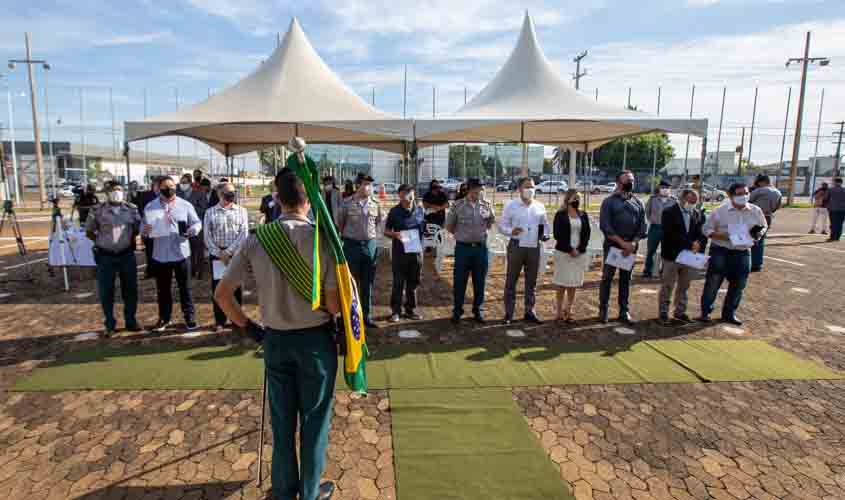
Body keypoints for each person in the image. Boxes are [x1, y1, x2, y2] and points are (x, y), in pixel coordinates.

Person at [214, 171, 339, 500]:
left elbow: (222, 295)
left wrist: (250, 328)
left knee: (282, 423)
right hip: (315, 342)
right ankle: (309, 493)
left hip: (275, 341)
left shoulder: (257, 239)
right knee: (314, 422)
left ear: (277, 199)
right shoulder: (322, 239)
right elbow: (334, 306)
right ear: (309, 201)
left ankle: (283, 491)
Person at [698, 183, 767, 325]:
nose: (744, 196)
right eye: (739, 194)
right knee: (713, 283)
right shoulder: (720, 211)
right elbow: (706, 229)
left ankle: (729, 314)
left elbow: (763, 226)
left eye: (746, 193)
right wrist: (722, 236)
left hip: (743, 252)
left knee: (739, 284)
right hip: (721, 250)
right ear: (730, 195)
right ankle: (705, 312)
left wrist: (759, 233)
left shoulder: (756, 210)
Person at [142, 176, 202, 331]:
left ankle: (189, 317)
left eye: (171, 186)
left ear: (175, 187)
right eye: (165, 187)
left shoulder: (185, 205)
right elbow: (143, 229)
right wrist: (145, 230)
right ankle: (164, 318)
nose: (169, 189)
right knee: (163, 289)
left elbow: (197, 223)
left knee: (185, 288)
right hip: (160, 254)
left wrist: (192, 230)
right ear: (159, 189)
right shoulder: (150, 206)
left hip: (181, 252)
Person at [85, 182, 142, 337]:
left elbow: (137, 229)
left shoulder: (132, 209)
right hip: (105, 256)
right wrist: (101, 241)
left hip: (126, 254)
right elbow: (89, 231)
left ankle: (131, 321)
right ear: (106, 193)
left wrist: (128, 240)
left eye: (119, 190)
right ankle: (109, 324)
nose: (116, 192)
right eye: (113, 190)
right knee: (106, 291)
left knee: (130, 290)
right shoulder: (97, 210)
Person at [498, 177, 549, 325]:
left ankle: (529, 311)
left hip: (534, 246)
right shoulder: (511, 205)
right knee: (511, 280)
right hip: (517, 246)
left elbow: (545, 225)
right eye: (527, 187)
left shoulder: (539, 206)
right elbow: (502, 226)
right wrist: (511, 231)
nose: (530, 190)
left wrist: (545, 235)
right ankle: (509, 313)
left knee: (531, 281)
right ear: (520, 189)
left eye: (532, 187)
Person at [598, 171, 647, 325]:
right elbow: (605, 226)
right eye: (627, 180)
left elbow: (642, 227)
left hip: (630, 248)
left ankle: (624, 311)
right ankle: (603, 309)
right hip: (613, 246)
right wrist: (622, 243)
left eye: (632, 180)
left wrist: (633, 243)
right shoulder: (609, 202)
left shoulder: (638, 203)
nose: (630, 183)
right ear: (618, 183)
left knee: (625, 279)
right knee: (607, 278)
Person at [445, 178, 495, 324]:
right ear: (469, 189)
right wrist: (462, 235)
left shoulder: (486, 205)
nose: (478, 192)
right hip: (463, 249)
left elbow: (491, 222)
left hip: (480, 248)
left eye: (480, 189)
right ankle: (457, 311)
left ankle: (478, 310)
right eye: (476, 189)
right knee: (459, 281)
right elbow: (449, 226)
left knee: (480, 281)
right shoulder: (458, 205)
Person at [337, 173, 383, 328]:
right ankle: (347, 316)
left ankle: (366, 316)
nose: (369, 187)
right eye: (366, 184)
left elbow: (377, 222)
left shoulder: (375, 204)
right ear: (358, 185)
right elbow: (340, 224)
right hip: (351, 245)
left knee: (367, 282)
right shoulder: (346, 203)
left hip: (370, 245)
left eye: (370, 184)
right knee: (350, 282)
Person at [204, 182, 249, 332]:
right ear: (219, 194)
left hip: (236, 255)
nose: (231, 195)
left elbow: (244, 233)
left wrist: (228, 252)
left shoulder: (242, 211)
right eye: (228, 192)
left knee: (236, 288)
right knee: (218, 289)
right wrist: (219, 253)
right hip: (217, 256)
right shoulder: (210, 212)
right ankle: (220, 321)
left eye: (233, 192)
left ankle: (237, 320)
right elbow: (207, 236)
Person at [658, 189, 707, 325]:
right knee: (667, 285)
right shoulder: (669, 212)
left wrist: (698, 243)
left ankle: (680, 312)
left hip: (689, 256)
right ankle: (663, 313)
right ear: (682, 199)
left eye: (695, 202)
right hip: (672, 255)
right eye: (691, 201)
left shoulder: (696, 214)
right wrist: (691, 244)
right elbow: (670, 234)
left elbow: (701, 233)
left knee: (684, 286)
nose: (693, 204)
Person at [384, 184, 424, 322]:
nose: (410, 195)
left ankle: (410, 310)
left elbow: (422, 229)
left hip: (416, 253)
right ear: (400, 195)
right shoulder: (394, 212)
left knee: (413, 283)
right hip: (400, 253)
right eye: (406, 192)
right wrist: (395, 234)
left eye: (411, 192)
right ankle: (395, 312)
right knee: (398, 283)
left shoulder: (420, 210)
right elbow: (386, 231)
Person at [552, 189, 591, 323]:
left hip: (578, 254)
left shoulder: (583, 214)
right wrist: (569, 249)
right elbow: (557, 234)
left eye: (578, 199)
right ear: (567, 199)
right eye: (574, 198)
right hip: (563, 253)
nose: (577, 201)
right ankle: (558, 311)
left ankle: (568, 309)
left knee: (573, 283)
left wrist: (579, 249)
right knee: (561, 282)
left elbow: (586, 234)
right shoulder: (560, 215)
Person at [642, 181, 677, 278]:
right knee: (651, 250)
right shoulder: (652, 199)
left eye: (667, 187)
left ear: (670, 189)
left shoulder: (674, 201)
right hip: (655, 227)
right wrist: (652, 220)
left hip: (669, 230)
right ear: (659, 188)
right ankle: (648, 270)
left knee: (667, 250)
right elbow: (647, 212)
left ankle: (664, 270)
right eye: (662, 187)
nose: (664, 189)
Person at [748, 175, 782, 272]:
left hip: (755, 217)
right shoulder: (778, 192)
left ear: (761, 182)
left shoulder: (759, 190)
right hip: (767, 217)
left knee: (751, 240)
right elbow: (777, 207)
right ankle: (757, 264)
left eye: (758, 183)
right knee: (760, 240)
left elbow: (748, 201)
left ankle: (752, 263)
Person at [188, 178, 213, 279]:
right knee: (191, 250)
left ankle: (200, 272)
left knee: (199, 250)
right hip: (188, 225)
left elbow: (204, 209)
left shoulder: (201, 194)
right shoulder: (183, 195)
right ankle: (192, 270)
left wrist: (191, 208)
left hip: (199, 225)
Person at [137, 177, 161, 279]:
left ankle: (160, 270)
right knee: (150, 250)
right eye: (155, 184)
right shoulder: (145, 195)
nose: (157, 186)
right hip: (149, 225)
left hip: (161, 226)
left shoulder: (165, 194)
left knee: (160, 250)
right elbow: (140, 208)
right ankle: (150, 271)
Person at [825, 177, 845, 242]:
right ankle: (837, 237)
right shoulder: (844, 190)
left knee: (833, 223)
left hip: (833, 209)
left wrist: (827, 206)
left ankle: (832, 237)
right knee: (840, 223)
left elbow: (826, 198)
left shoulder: (830, 189)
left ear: (835, 182)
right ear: (841, 183)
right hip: (843, 209)